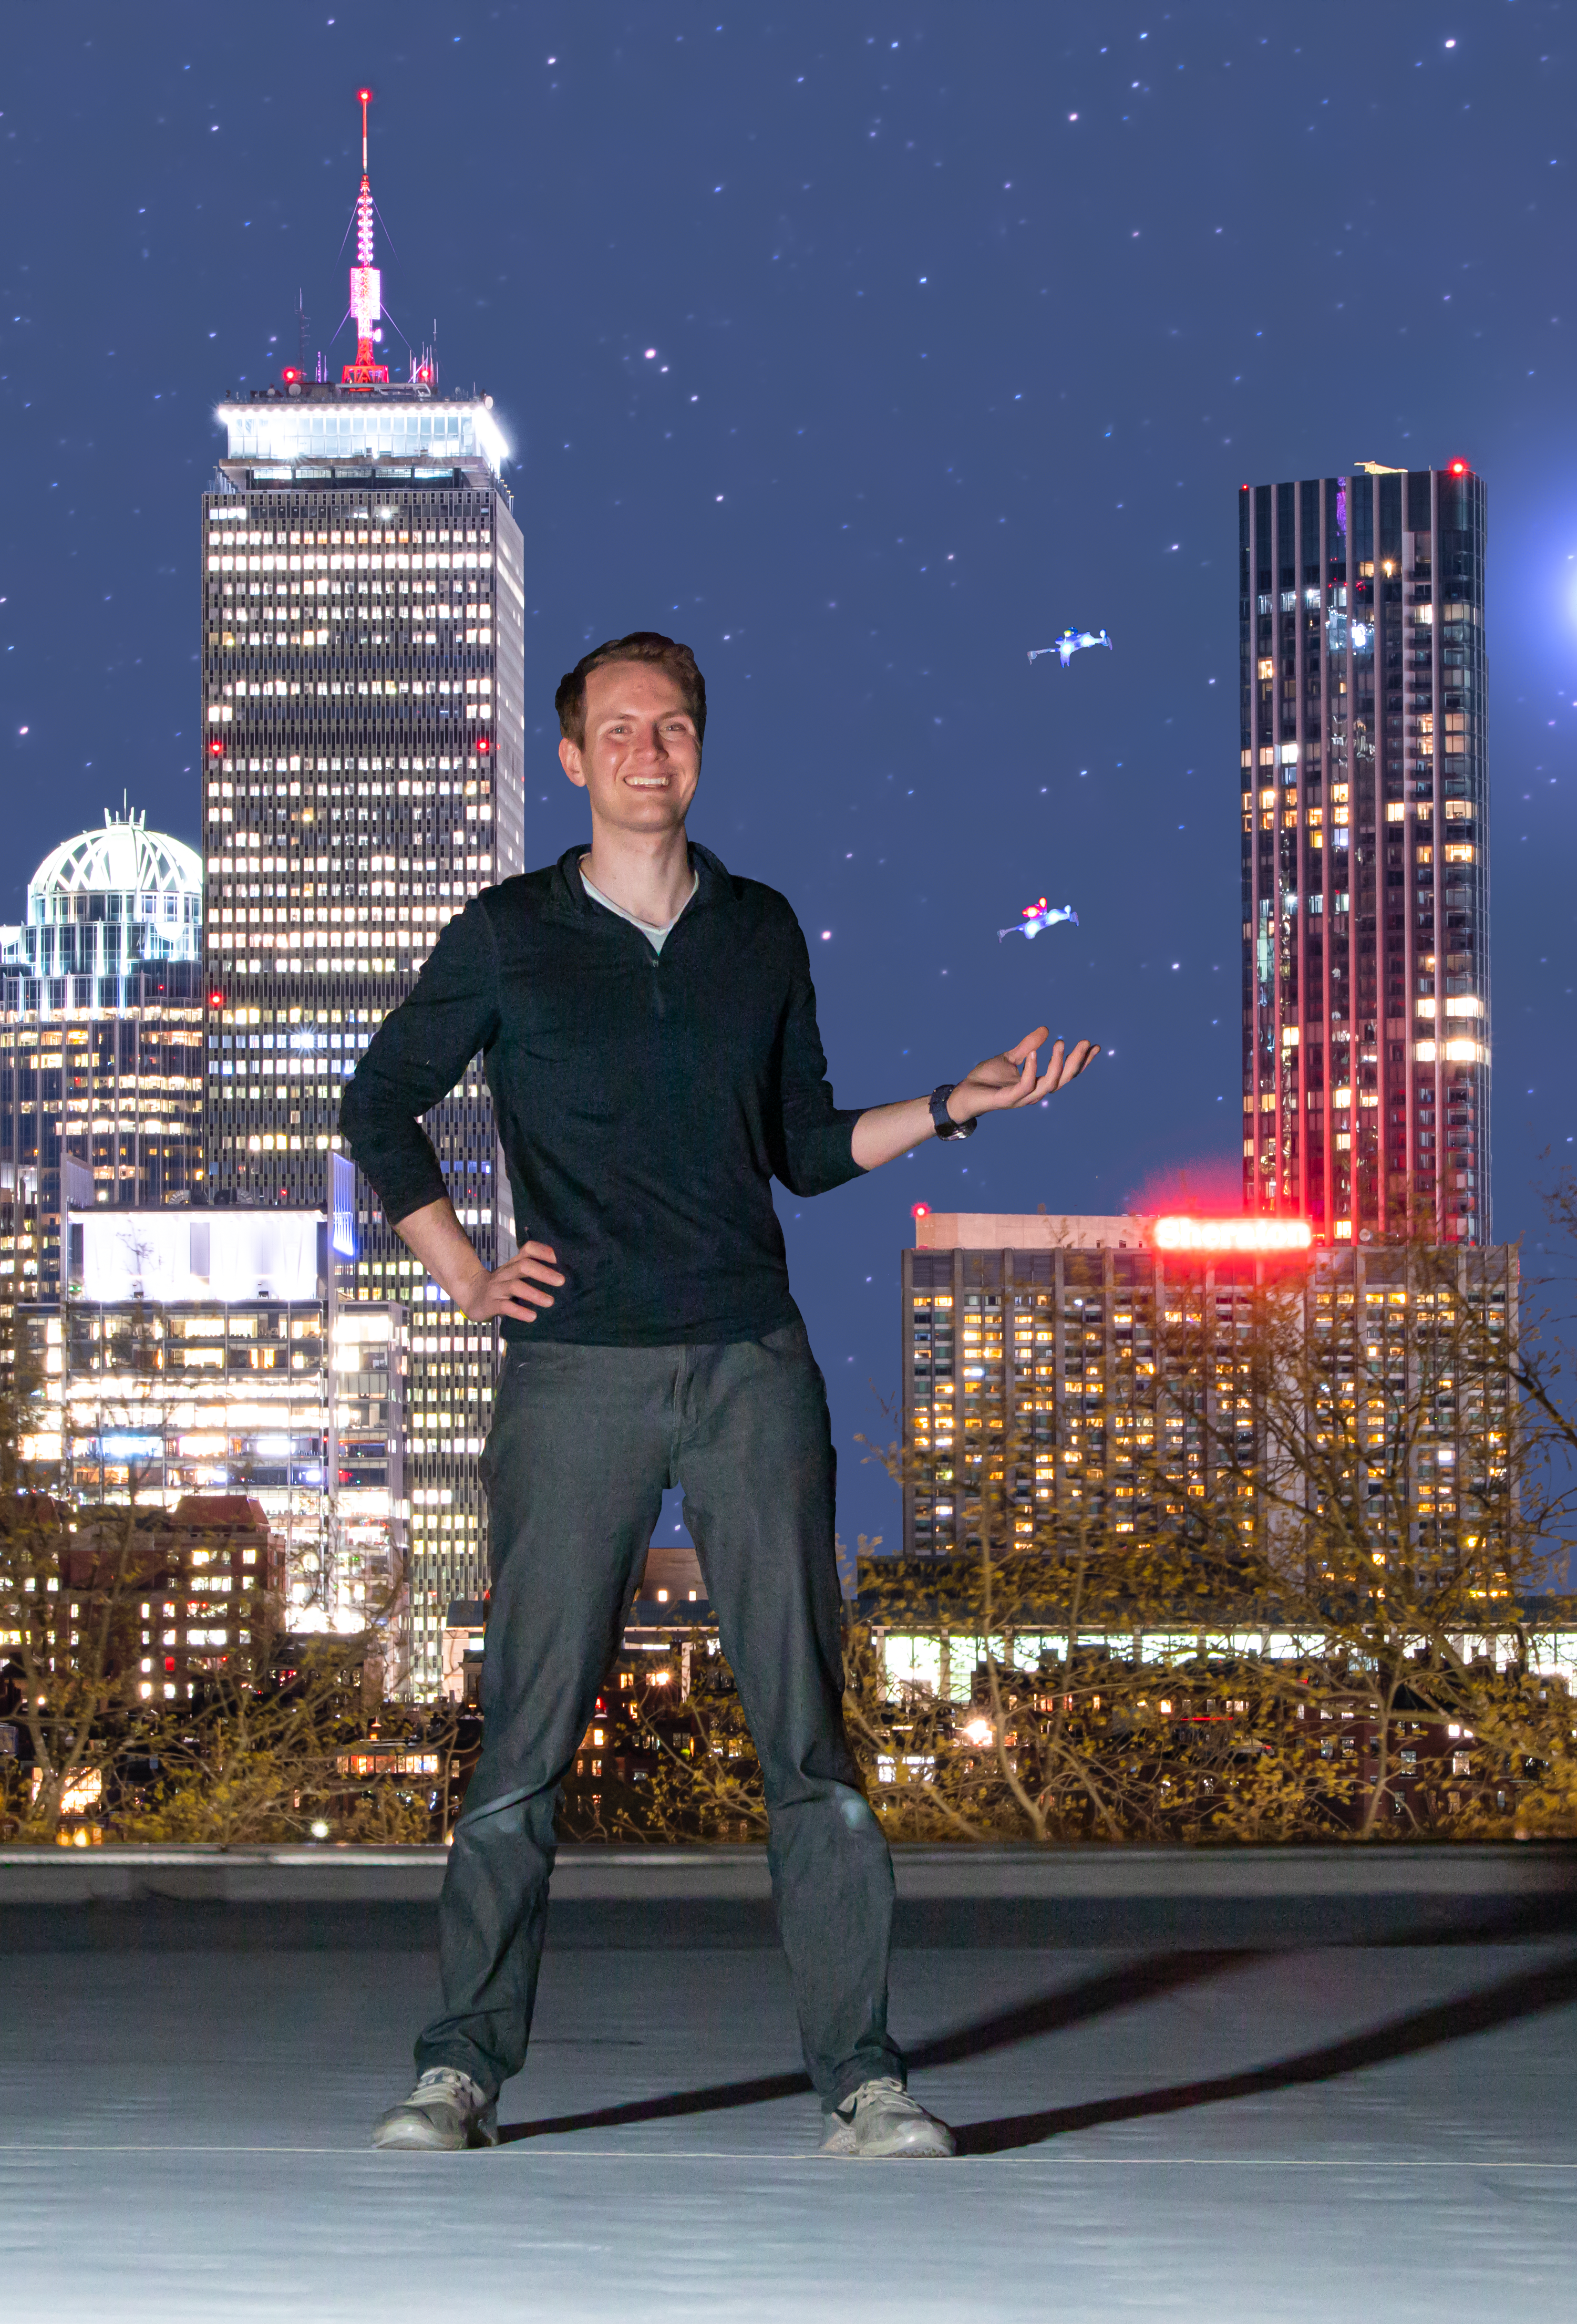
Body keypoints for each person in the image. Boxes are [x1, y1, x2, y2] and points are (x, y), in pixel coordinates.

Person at [341, 631, 1096, 2160]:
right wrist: (466, 1274)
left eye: (671, 725)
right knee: (523, 1744)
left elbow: (806, 1148)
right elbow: (378, 1103)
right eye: (616, 728)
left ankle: (863, 2079)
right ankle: (462, 2067)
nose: (646, 748)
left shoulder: (760, 928)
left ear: (699, 751)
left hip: (753, 1367)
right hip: (576, 1378)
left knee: (807, 1738)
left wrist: (955, 1103)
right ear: (570, 759)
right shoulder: (510, 933)